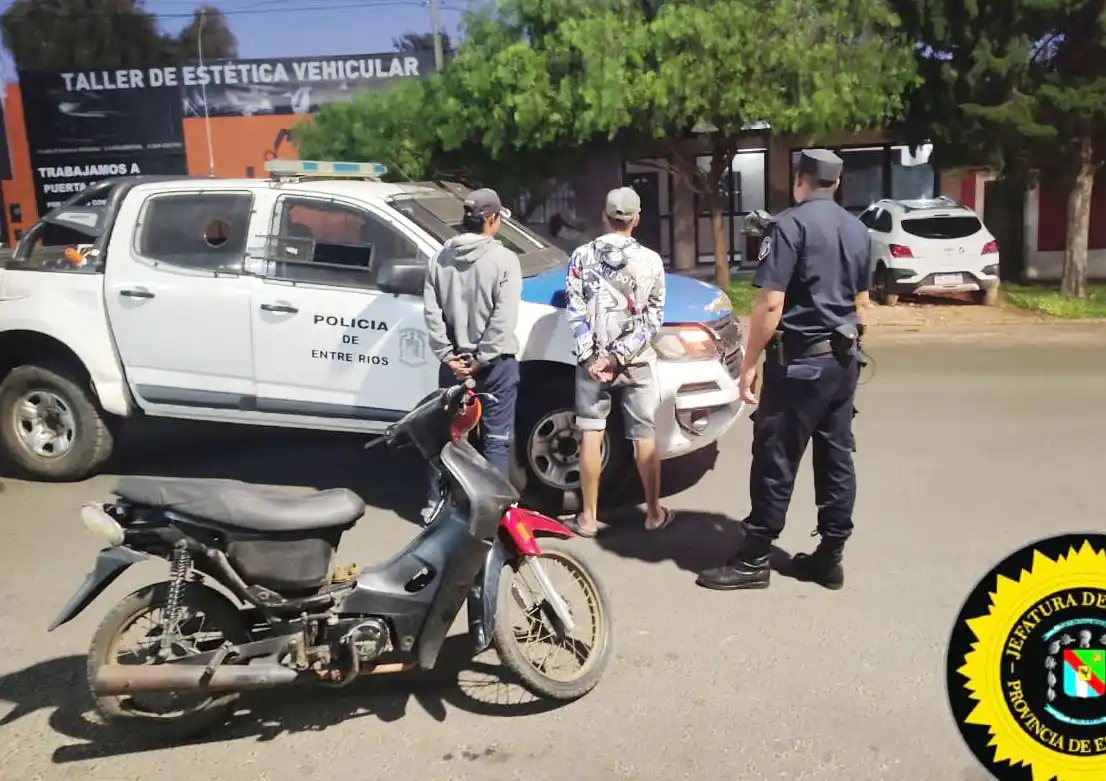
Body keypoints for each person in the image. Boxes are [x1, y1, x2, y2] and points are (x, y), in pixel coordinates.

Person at [696, 149, 872, 592]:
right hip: (842, 361)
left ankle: (755, 557)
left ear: (800, 180)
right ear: (836, 183)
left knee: (776, 455)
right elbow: (863, 305)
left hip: (800, 363)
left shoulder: (789, 226)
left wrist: (749, 363)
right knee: (836, 457)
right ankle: (830, 556)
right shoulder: (858, 230)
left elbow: (771, 303)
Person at [563, 186, 672, 537]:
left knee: (591, 434)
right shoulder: (652, 261)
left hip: (592, 366)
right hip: (637, 362)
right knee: (645, 436)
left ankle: (589, 517)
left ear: (604, 217)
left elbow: (575, 311)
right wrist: (619, 355)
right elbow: (654, 318)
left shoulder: (580, 257)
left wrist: (593, 357)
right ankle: (653, 513)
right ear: (636, 220)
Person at [421, 188, 522, 521]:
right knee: (496, 441)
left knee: (449, 441)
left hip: (452, 368)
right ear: (491, 219)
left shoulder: (439, 259)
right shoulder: (505, 260)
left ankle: (437, 510)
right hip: (495, 367)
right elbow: (503, 320)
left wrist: (449, 356)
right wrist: (481, 359)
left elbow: (432, 313)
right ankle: (493, 516)